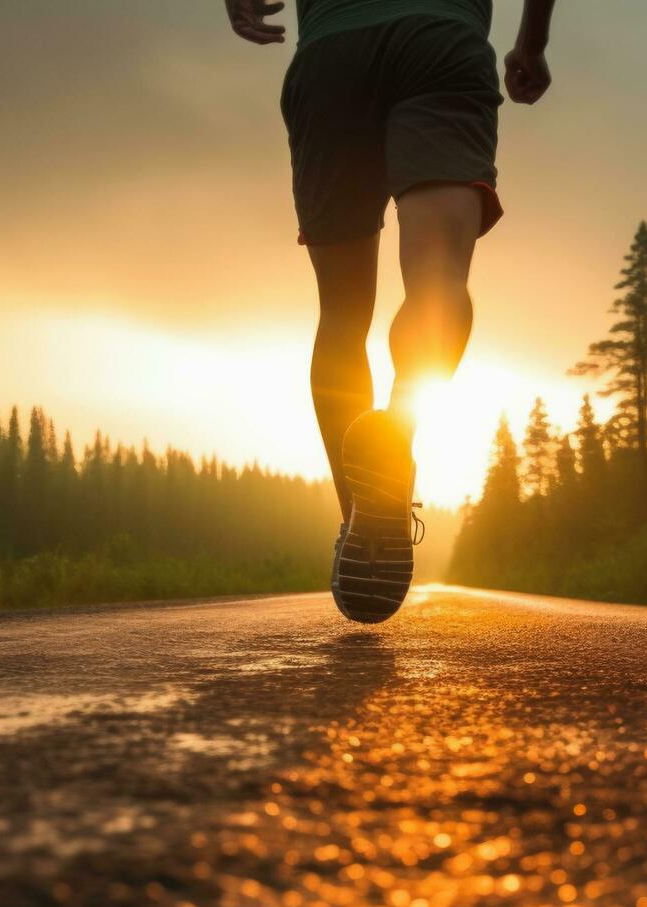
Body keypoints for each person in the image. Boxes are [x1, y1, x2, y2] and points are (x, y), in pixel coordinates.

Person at [225, 0, 556, 623]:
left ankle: (361, 525)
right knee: (437, 281)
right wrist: (531, 41)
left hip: (332, 52)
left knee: (343, 317)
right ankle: (396, 434)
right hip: (440, 42)